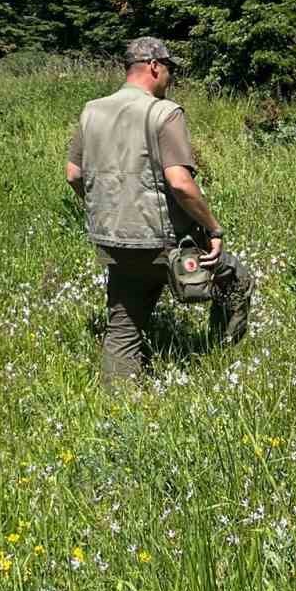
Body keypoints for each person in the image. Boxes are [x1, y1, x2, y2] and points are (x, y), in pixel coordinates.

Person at [66, 35, 251, 385]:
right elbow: (180, 183)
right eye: (169, 70)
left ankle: (119, 406)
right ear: (153, 66)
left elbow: (74, 174)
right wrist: (213, 229)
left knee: (124, 323)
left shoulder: (92, 110)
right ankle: (224, 356)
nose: (171, 78)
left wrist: (103, 208)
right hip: (165, 243)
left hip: (112, 240)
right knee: (236, 279)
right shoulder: (164, 112)